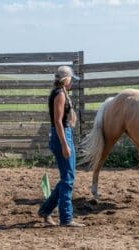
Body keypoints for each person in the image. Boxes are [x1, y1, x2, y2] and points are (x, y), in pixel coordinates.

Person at [38, 65, 85, 227]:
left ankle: (46, 210)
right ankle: (66, 218)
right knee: (68, 179)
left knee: (67, 178)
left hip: (62, 135)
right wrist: (65, 144)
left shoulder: (59, 93)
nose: (72, 82)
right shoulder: (60, 95)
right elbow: (58, 121)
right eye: (71, 79)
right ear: (66, 80)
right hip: (62, 136)